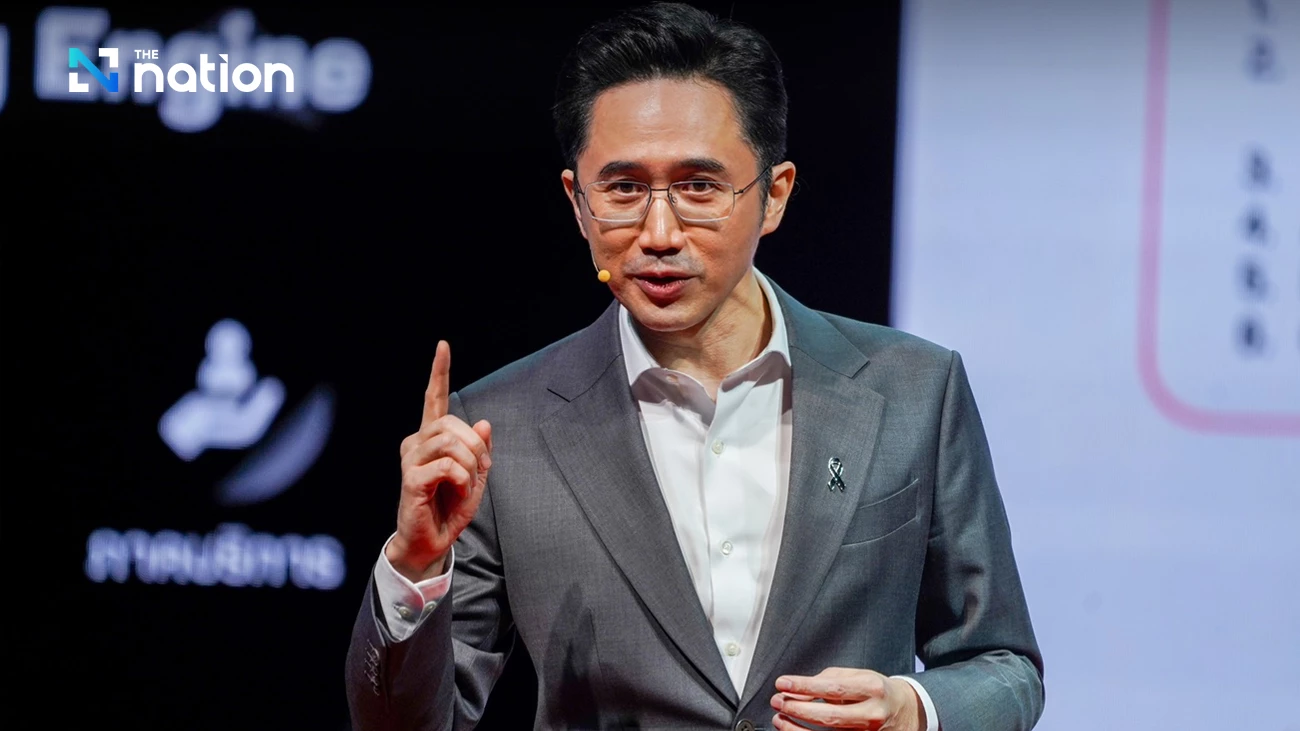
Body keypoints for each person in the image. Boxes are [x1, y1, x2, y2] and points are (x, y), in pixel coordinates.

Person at [345, 3, 1044, 729]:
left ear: (774, 195)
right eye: (623, 189)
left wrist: (911, 711)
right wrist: (414, 567)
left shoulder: (914, 390)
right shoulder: (500, 428)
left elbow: (1003, 665)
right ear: (578, 203)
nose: (658, 233)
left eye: (699, 187)